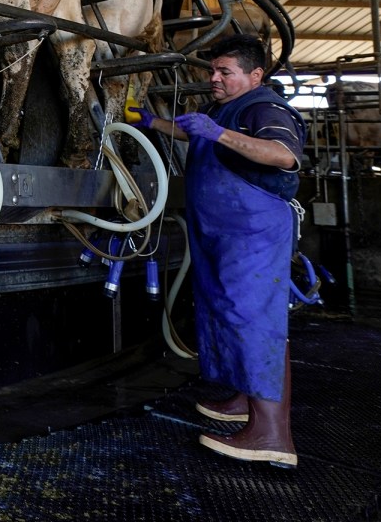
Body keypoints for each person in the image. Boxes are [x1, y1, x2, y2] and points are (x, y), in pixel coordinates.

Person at [130, 34, 306, 468]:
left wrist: (220, 132)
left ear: (255, 74)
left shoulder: (265, 108)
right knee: (228, 312)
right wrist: (151, 123)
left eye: (224, 72)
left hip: (252, 231)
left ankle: (272, 434)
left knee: (253, 318)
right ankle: (246, 400)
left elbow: (283, 155)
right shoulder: (221, 109)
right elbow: (197, 134)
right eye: (213, 70)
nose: (214, 78)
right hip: (221, 232)